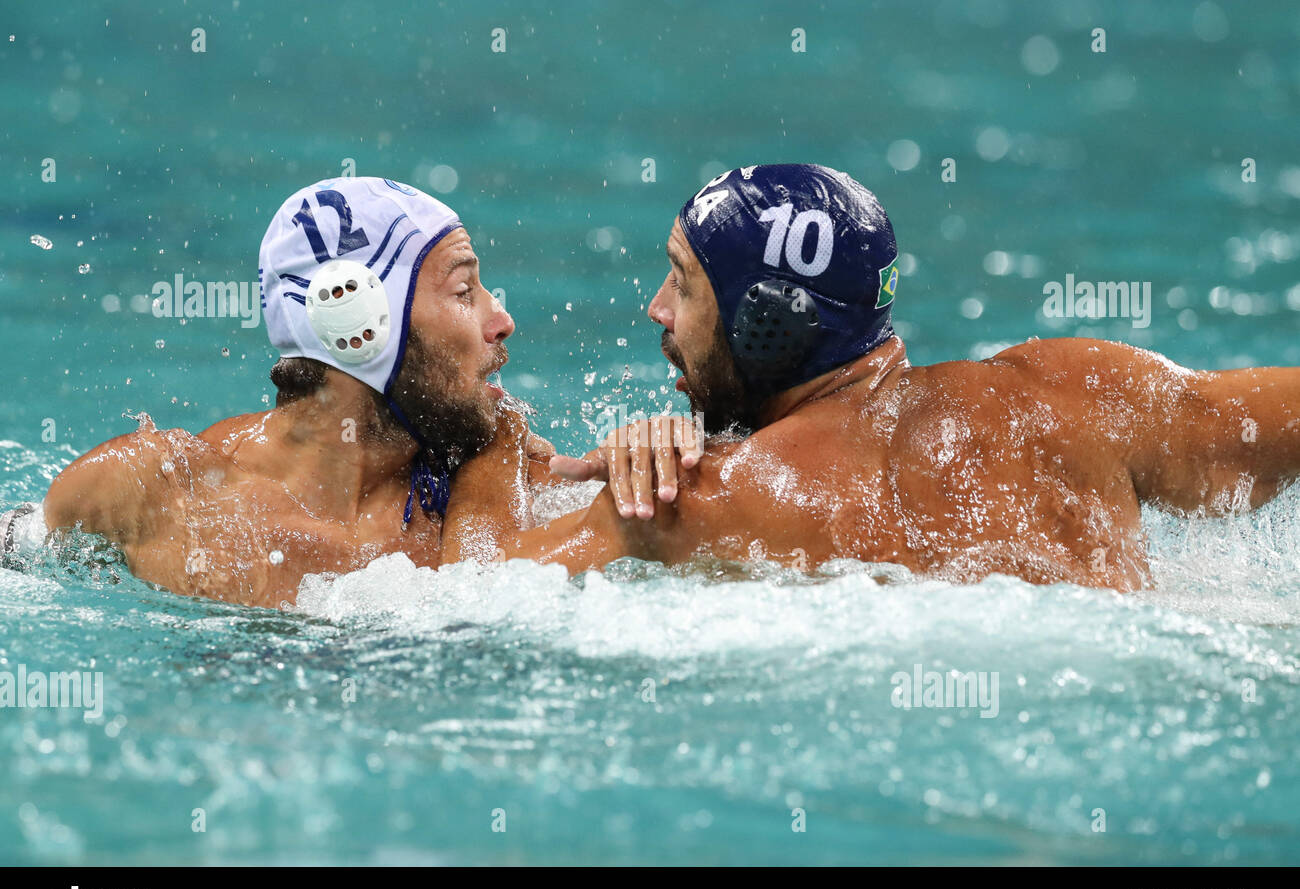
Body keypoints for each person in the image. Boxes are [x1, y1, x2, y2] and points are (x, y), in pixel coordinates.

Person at [444, 163, 1300, 591]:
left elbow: (470, 588)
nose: (658, 309)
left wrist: (490, 437)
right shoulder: (1075, 394)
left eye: (686, 281)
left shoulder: (705, 499)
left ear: (766, 323)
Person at [4, 177, 691, 608]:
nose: (500, 318)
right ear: (356, 323)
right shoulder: (158, 491)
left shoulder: (496, 477)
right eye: (463, 289)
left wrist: (660, 446)